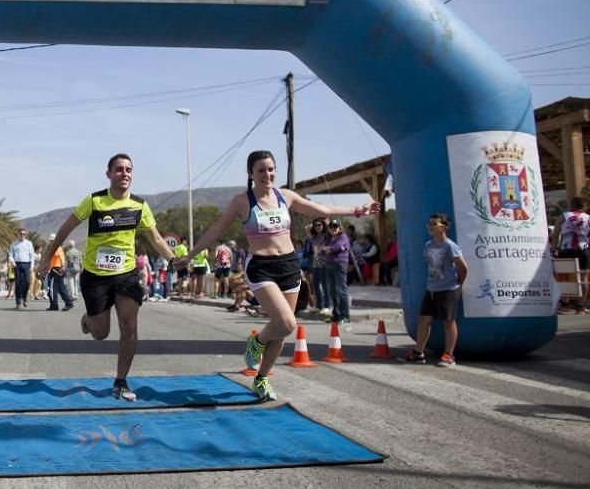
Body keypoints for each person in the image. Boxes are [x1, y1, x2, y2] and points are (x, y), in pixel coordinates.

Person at [170, 150, 379, 403]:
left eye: (271, 169)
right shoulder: (242, 201)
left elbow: (321, 208)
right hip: (261, 267)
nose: (267, 174)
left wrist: (359, 210)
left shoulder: (286, 196)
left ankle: (261, 378)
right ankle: (256, 342)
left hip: (289, 266)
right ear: (251, 173)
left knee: (281, 331)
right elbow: (215, 230)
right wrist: (190, 255)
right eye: (261, 170)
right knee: (288, 322)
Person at [37, 153, 177, 401]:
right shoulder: (94, 201)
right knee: (101, 333)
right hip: (96, 276)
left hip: (126, 274)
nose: (125, 174)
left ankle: (121, 381)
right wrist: (47, 258)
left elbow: (155, 237)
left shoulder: (139, 206)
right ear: (109, 174)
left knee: (129, 326)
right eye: (119, 169)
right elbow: (66, 228)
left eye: (129, 170)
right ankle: (90, 319)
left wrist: (173, 259)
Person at [404, 213, 468, 367]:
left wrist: (459, 283)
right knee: (423, 320)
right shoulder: (428, 245)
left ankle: (449, 355)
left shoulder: (450, 246)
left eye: (434, 224)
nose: (430, 226)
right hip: (431, 289)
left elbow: (463, 267)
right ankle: (418, 352)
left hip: (448, 289)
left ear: (444, 227)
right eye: (429, 224)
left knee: (448, 321)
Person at [553, 196, 590, 311]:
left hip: (566, 250)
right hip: (583, 250)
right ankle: (580, 306)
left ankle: (565, 304)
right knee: (583, 277)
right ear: (583, 206)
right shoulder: (588, 218)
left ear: (572, 205)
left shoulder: (563, 216)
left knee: (566, 277)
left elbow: (556, 234)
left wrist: (554, 248)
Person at [325, 219, 353, 329]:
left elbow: (339, 247)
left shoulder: (343, 237)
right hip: (329, 264)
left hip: (340, 264)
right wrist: (329, 249)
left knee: (341, 290)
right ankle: (336, 314)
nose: (333, 229)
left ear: (340, 228)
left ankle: (345, 315)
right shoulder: (329, 238)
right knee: (332, 290)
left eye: (335, 227)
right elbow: (322, 249)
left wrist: (330, 249)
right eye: (331, 227)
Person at [7, 228, 35, 309]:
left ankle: (24, 297)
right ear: (18, 234)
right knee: (18, 283)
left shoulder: (29, 243)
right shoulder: (14, 244)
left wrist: (32, 266)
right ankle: (18, 302)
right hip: (17, 264)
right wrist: (13, 262)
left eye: (24, 234)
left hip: (26, 264)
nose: (22, 235)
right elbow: (10, 255)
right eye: (21, 234)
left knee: (27, 282)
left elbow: (32, 256)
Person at [46, 236, 75, 311]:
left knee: (52, 288)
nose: (50, 242)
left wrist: (62, 266)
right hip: (58, 269)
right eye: (50, 240)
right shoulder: (58, 248)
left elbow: (61, 257)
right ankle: (69, 303)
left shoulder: (56, 248)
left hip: (56, 269)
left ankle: (54, 305)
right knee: (61, 288)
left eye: (52, 240)